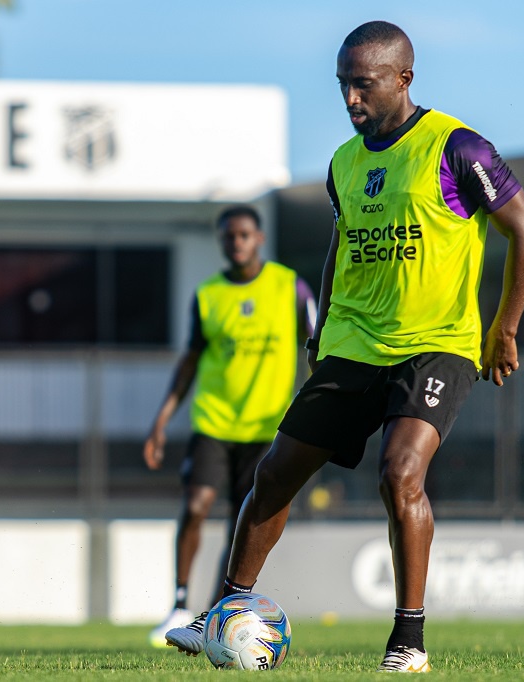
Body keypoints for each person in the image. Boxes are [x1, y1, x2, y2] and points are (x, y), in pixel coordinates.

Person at [166, 21, 524, 672]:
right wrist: (322, 331)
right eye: (342, 85)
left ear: (403, 79)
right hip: (351, 347)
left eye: (361, 85)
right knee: (274, 474)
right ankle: (221, 612)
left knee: (399, 474)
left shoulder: (457, 147)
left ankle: (408, 640)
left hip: (435, 345)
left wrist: (502, 327)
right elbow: (342, 249)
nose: (349, 100)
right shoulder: (344, 163)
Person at [144, 205, 315, 647]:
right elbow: (190, 360)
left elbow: (318, 346)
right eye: (228, 236)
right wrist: (162, 420)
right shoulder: (207, 295)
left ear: (258, 238)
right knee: (197, 504)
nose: (236, 242)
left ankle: (219, 612)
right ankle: (179, 605)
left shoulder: (290, 287)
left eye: (243, 234)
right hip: (214, 422)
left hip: (267, 428)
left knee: (242, 523)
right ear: (221, 242)